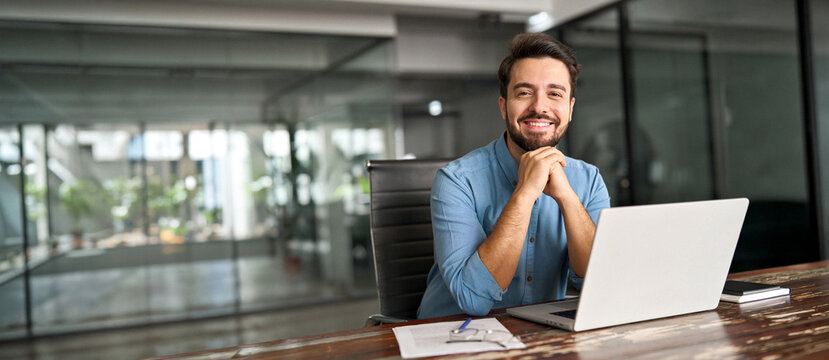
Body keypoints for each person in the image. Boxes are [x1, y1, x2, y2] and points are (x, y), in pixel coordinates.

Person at [417, 33, 611, 319]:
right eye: (524, 92)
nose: (540, 107)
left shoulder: (589, 180)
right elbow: (472, 299)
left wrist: (568, 198)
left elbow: (599, 283)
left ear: (570, 109)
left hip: (539, 336)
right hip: (451, 336)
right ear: (503, 106)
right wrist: (525, 193)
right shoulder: (456, 181)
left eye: (554, 94)